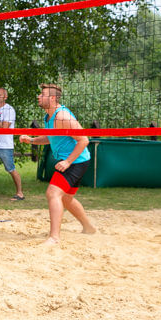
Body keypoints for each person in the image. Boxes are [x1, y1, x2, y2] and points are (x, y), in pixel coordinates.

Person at [20, 84, 96, 245]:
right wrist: (32, 140)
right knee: (67, 199)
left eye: (42, 94)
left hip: (76, 161)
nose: (38, 97)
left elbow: (84, 140)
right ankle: (89, 228)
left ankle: (54, 237)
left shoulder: (62, 116)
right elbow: (51, 137)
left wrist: (68, 162)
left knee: (53, 193)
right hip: (75, 161)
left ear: (52, 98)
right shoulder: (48, 117)